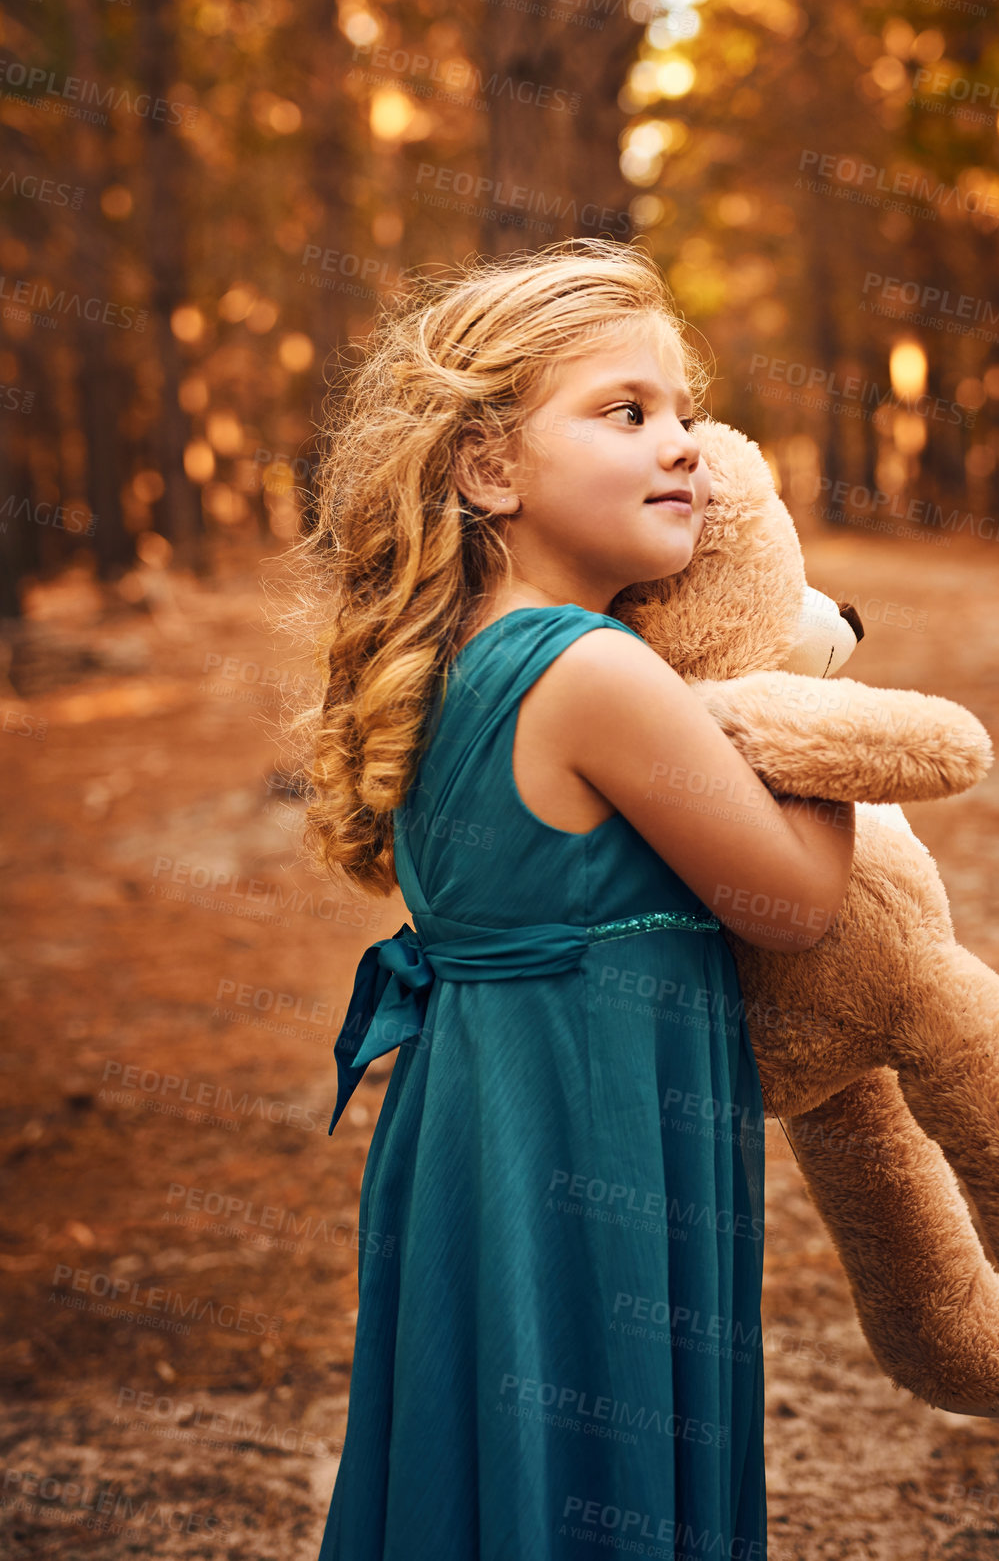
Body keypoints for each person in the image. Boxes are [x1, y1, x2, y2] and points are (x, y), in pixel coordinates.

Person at [299, 237, 855, 1560]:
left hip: (477, 1123)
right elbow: (793, 903)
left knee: (491, 1454)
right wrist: (816, 688)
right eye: (626, 411)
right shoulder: (590, 670)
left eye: (685, 413)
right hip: (590, 1130)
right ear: (488, 467)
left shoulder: (461, 651)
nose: (684, 448)